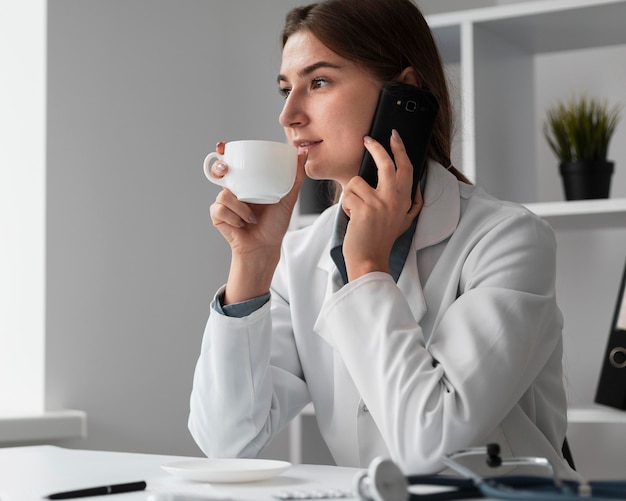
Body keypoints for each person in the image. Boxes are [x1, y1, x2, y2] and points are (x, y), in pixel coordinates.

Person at [189, 0, 576, 479]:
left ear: (403, 93)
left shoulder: (510, 240)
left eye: (319, 82)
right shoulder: (301, 256)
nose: (288, 115)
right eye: (286, 89)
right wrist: (253, 262)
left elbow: (427, 444)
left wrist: (367, 267)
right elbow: (227, 441)